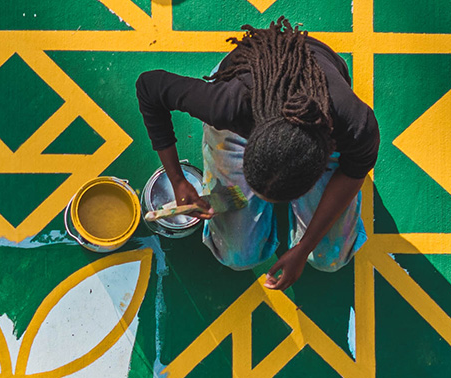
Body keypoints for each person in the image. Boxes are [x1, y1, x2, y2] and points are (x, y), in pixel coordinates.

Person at [136, 16, 379, 290]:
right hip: (250, 87)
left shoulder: (354, 124)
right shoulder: (227, 105)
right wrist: (176, 178)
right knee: (237, 257)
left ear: (317, 170)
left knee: (329, 259)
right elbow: (149, 87)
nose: (254, 197)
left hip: (323, 119)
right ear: (249, 148)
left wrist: (305, 246)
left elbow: (352, 173)